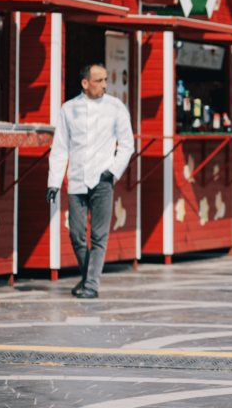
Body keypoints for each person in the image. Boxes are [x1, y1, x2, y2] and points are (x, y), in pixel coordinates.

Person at [47, 64, 134, 299]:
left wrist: (113, 171)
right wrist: (53, 182)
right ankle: (88, 278)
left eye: (106, 79)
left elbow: (127, 144)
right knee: (76, 234)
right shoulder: (69, 109)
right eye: (99, 80)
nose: (105, 85)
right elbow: (60, 148)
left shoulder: (116, 107)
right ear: (85, 83)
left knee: (98, 236)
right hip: (77, 179)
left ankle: (92, 285)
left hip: (103, 180)